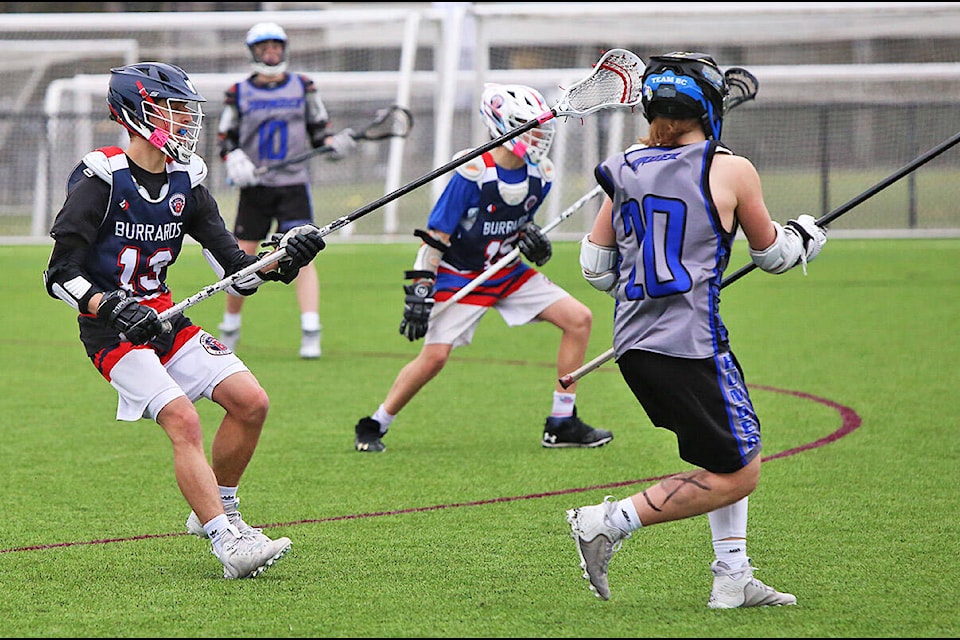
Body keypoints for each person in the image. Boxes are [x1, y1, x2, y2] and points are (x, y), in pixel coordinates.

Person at [43, 62, 326, 579]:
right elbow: (60, 274)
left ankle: (220, 510)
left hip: (166, 319)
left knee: (250, 402)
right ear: (136, 112)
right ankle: (227, 542)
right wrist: (111, 305)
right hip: (114, 332)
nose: (182, 121)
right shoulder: (100, 175)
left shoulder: (187, 176)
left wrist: (285, 258)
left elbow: (235, 271)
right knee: (183, 419)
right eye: (171, 109)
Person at [565, 52, 827, 607]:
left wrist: (653, 283)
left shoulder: (624, 167)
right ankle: (607, 521)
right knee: (741, 473)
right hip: (692, 345)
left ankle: (732, 575)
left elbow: (596, 268)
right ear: (708, 109)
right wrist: (804, 236)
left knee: (730, 452)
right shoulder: (732, 170)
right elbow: (773, 255)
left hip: (634, 346)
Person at [352, 83, 613, 453]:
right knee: (434, 357)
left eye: (539, 125)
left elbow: (519, 226)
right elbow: (436, 236)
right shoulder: (472, 171)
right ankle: (376, 422)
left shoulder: (543, 173)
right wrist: (422, 288)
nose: (539, 133)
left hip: (507, 270)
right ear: (502, 125)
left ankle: (561, 422)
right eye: (528, 125)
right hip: (462, 274)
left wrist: (534, 242)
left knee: (579, 319)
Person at [216, 21, 357, 359]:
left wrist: (334, 145)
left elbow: (319, 133)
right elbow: (225, 139)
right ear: (254, 52)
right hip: (256, 188)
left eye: (275, 46)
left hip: (293, 185)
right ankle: (230, 328)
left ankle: (311, 329)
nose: (271, 53)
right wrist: (234, 159)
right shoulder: (238, 92)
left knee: (303, 253)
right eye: (264, 47)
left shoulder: (303, 87)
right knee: (241, 258)